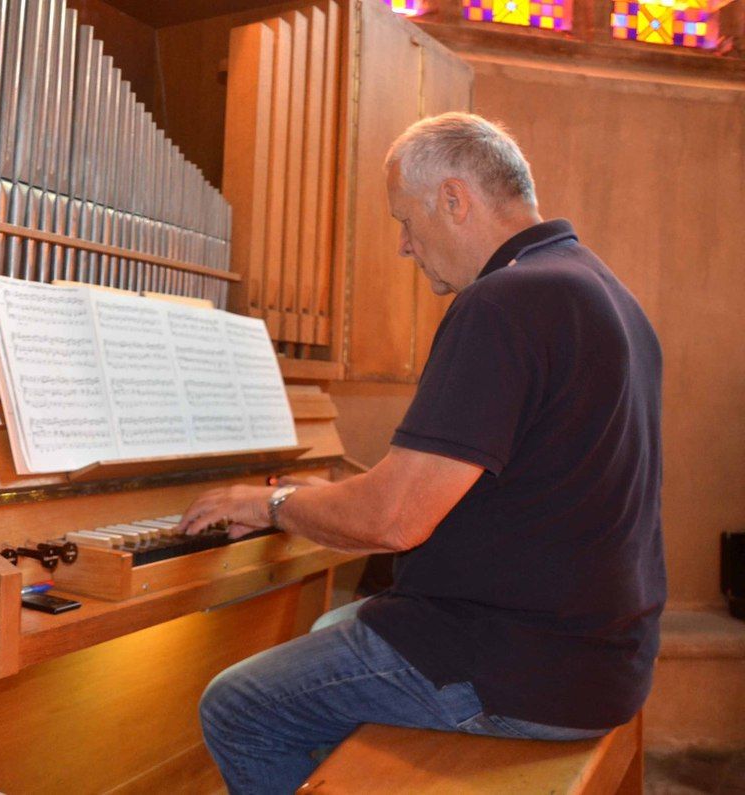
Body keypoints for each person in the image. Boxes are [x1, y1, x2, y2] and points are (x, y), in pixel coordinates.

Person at [177, 112, 666, 794]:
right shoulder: (600, 288)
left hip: (525, 667)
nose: (404, 247)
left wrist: (274, 502)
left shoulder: (505, 301)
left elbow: (394, 519)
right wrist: (326, 496)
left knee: (239, 704)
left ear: (455, 198)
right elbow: (506, 483)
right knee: (332, 621)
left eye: (405, 221)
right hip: (601, 654)